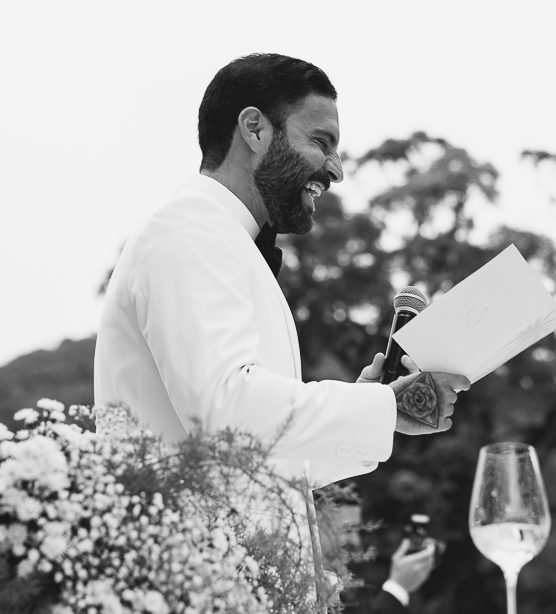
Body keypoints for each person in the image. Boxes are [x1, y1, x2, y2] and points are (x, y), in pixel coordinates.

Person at [93, 53, 470, 547]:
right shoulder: (190, 228)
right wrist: (376, 404)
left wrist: (381, 410)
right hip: (192, 592)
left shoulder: (222, 238)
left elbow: (265, 461)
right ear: (254, 129)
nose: (334, 169)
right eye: (321, 141)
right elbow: (224, 413)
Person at [330, 505, 437, 614]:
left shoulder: (348, 587)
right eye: (347, 529)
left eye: (358, 530)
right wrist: (397, 588)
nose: (356, 541)